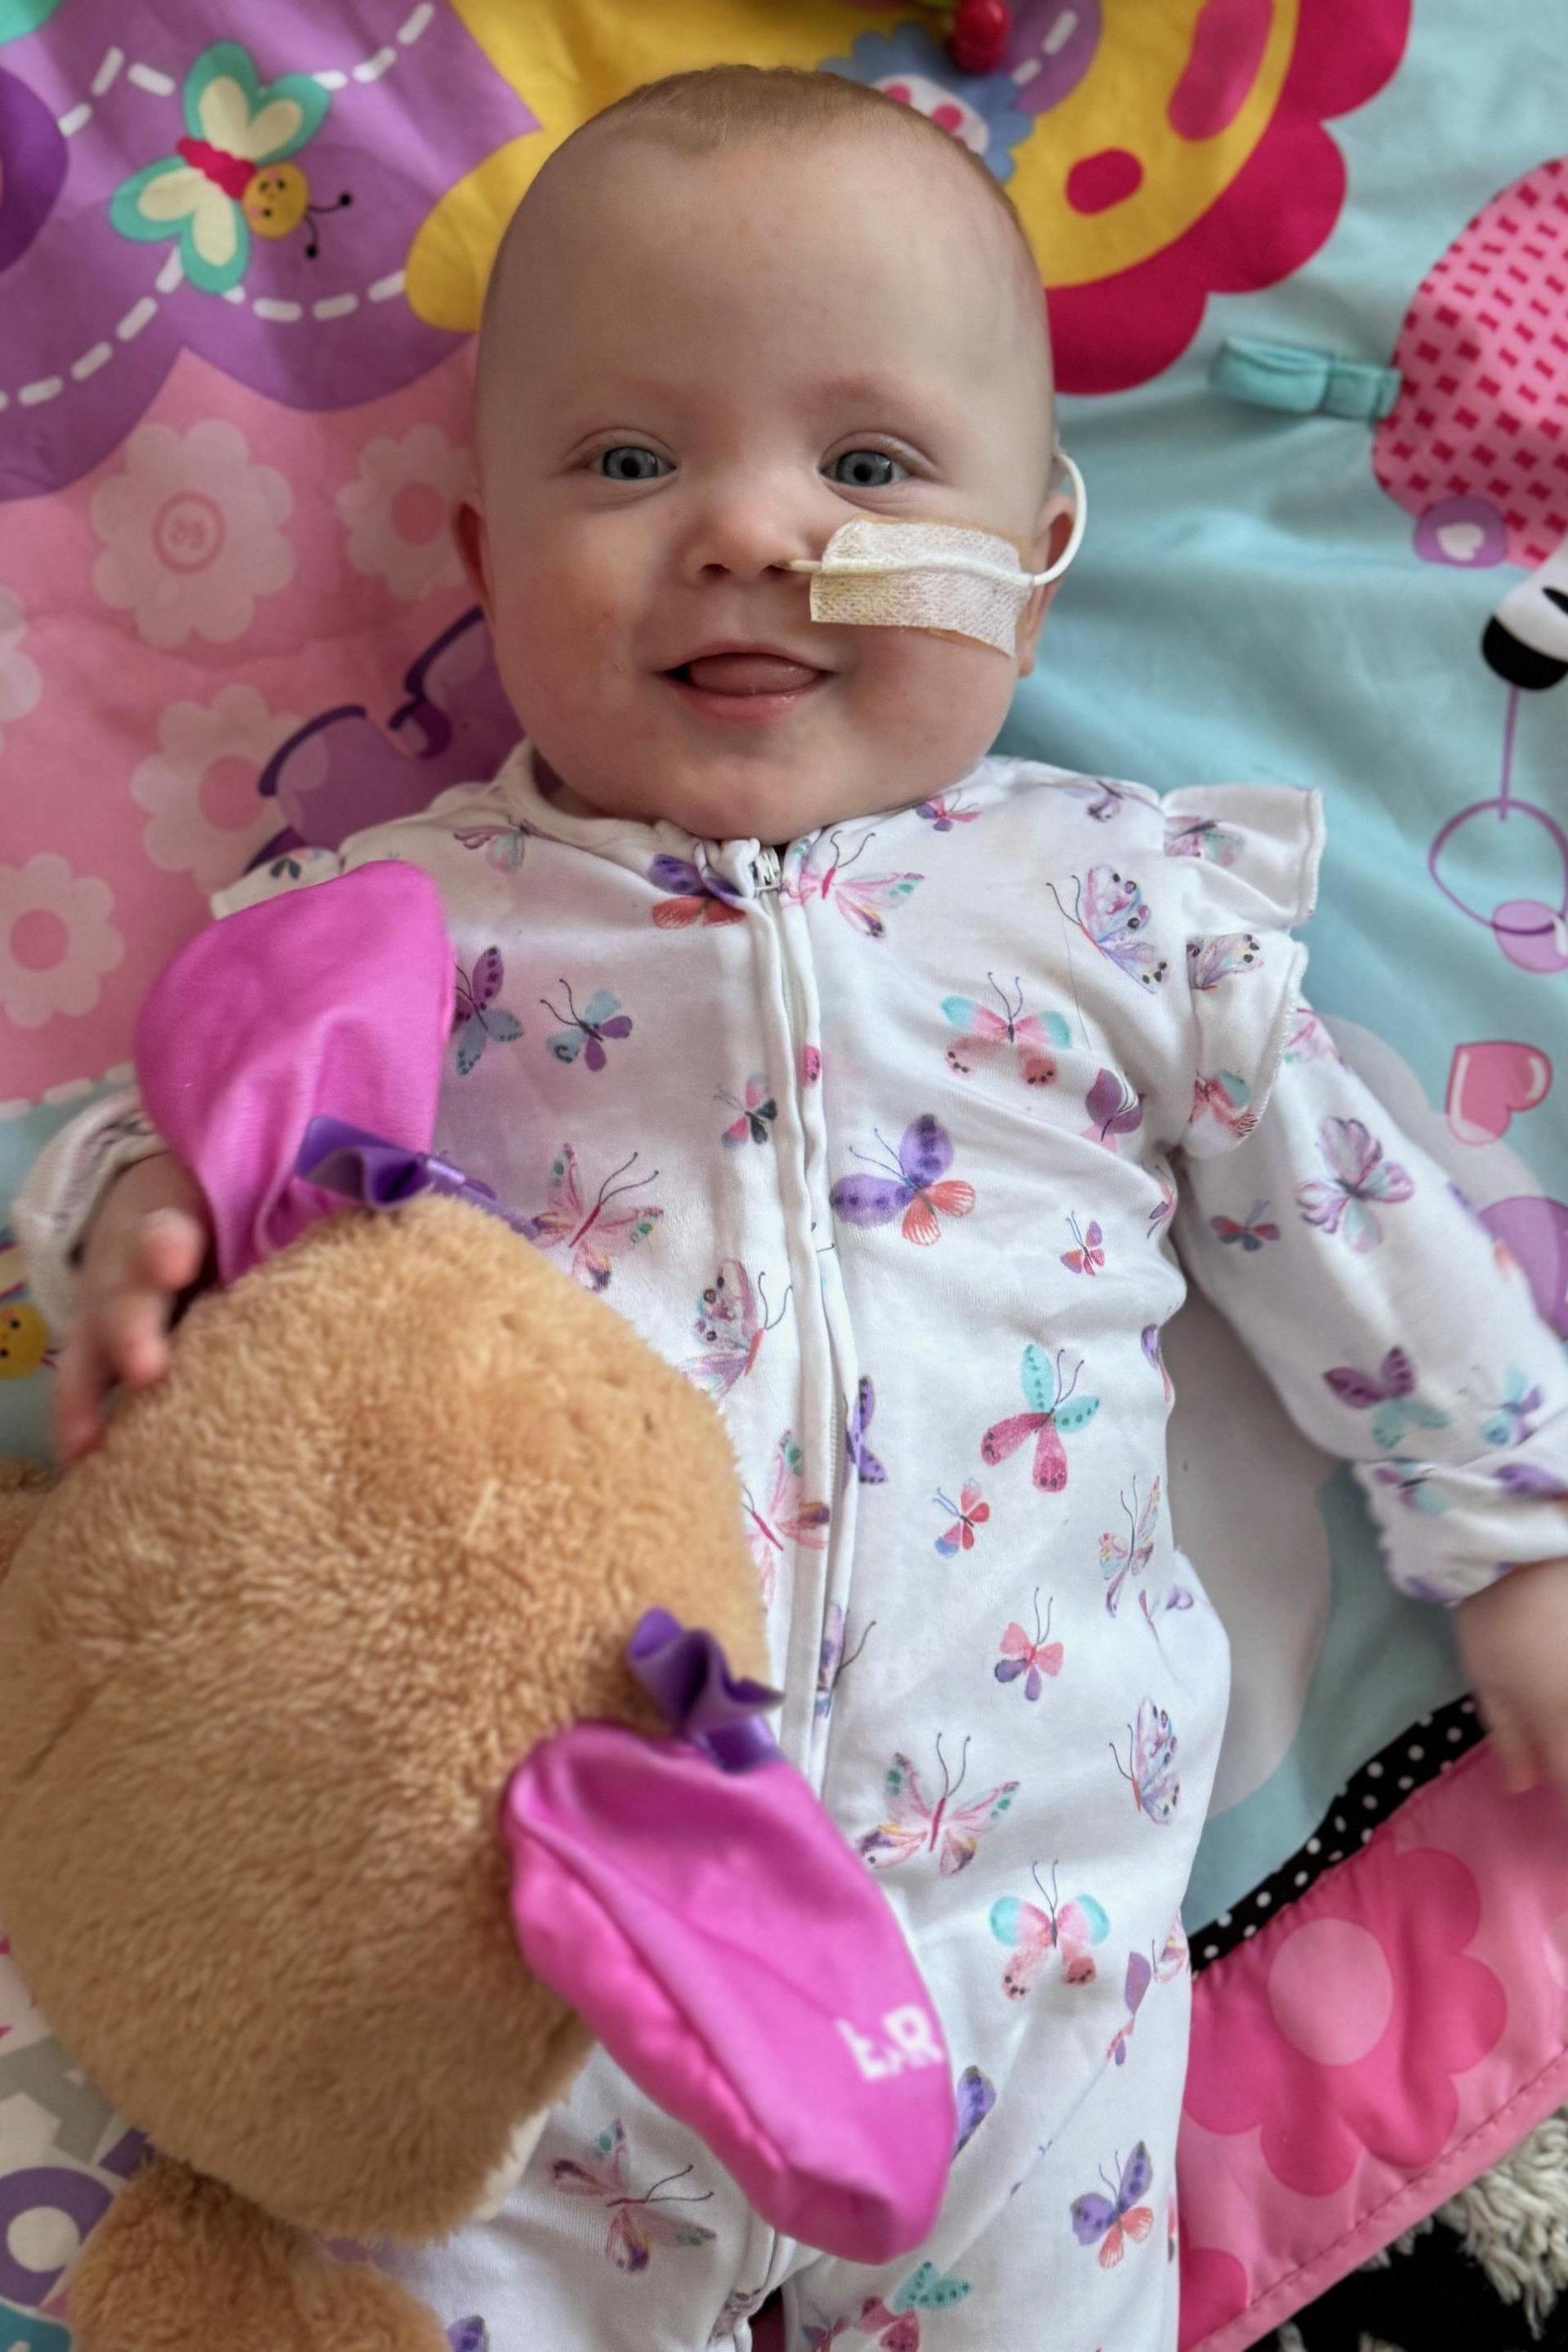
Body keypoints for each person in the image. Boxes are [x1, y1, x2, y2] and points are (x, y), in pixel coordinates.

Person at [17, 65, 1568, 2352]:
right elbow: (201, 1118)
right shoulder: (403, 918)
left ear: (1033, 562)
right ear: (477, 555)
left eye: (866, 469)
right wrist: (137, 1213)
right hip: (522, 1940)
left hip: (1020, 1963)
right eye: (628, 466)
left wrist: (1516, 1533)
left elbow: (1355, 1219)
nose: (747, 530)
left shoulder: (1120, 915)